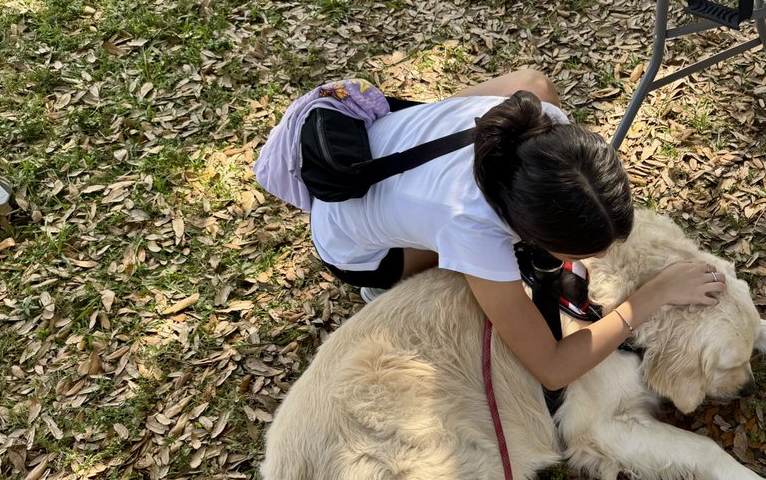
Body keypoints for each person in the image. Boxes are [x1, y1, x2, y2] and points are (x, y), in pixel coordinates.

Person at [309, 68, 726, 393]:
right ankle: (380, 287)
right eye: (579, 253)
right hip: (354, 248)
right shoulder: (472, 227)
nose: (595, 259)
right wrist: (652, 296)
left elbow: (533, 80)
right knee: (467, 285)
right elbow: (553, 369)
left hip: (386, 162)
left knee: (533, 84)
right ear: (527, 232)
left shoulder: (544, 119)